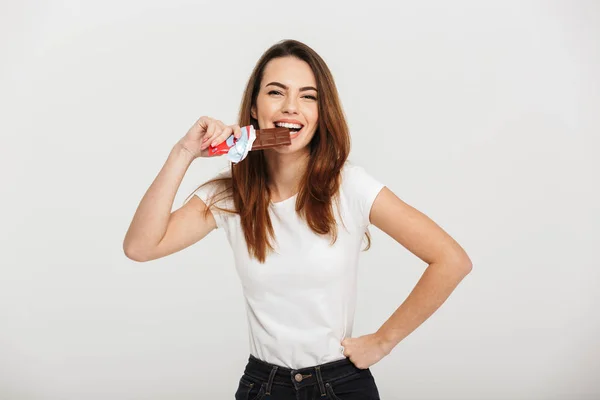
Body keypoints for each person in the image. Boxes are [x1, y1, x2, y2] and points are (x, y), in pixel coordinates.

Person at [123, 39, 473, 400]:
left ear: (321, 113)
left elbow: (451, 260)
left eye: (308, 96)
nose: (291, 107)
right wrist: (184, 152)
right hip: (262, 387)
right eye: (276, 92)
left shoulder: (349, 186)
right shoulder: (230, 197)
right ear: (255, 108)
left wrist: (383, 341)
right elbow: (140, 246)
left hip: (341, 385)